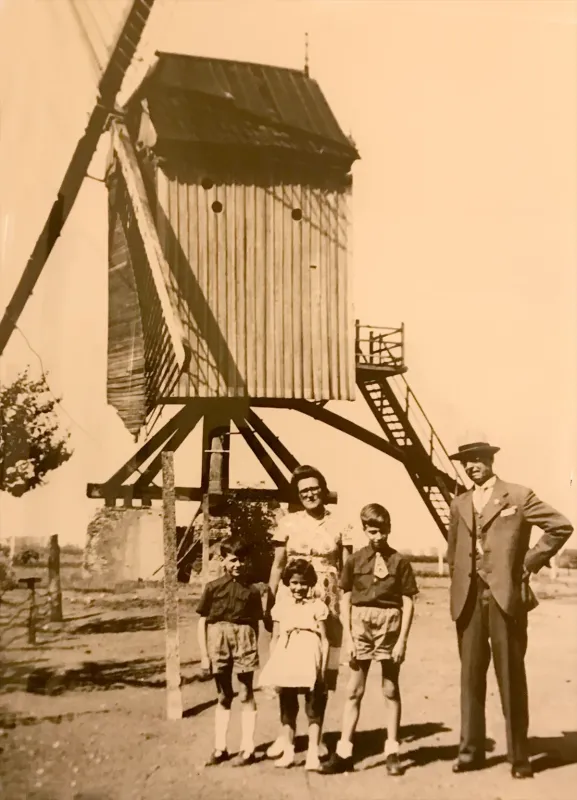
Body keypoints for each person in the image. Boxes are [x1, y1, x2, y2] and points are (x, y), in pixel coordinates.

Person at [447, 440, 573, 779]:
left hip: (505, 599)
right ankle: (470, 751)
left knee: (511, 677)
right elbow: (453, 552)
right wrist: (457, 584)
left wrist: (527, 563)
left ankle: (520, 758)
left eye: (476, 460)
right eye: (466, 462)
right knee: (470, 678)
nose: (471, 467)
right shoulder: (459, 503)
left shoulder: (518, 496)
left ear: (490, 460)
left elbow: (561, 527)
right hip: (468, 601)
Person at [322, 503, 418, 777]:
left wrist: (402, 641)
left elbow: (409, 602)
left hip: (390, 623)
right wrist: (350, 638)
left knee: (390, 688)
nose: (378, 537)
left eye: (382, 531)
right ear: (365, 530)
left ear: (389, 530)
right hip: (360, 625)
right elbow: (346, 598)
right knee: (354, 690)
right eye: (372, 531)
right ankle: (344, 752)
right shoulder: (355, 560)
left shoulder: (400, 562)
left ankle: (392, 750)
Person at [266, 465, 353, 759]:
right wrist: (270, 599)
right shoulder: (288, 523)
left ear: (323, 489)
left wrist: (344, 606)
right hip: (291, 597)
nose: (310, 494)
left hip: (326, 600)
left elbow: (346, 569)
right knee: (286, 665)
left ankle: (317, 737)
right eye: (303, 491)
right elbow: (278, 565)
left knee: (320, 669)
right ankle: (285, 733)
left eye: (314, 488)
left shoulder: (341, 523)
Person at [258, 558, 330, 770]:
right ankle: (288, 750)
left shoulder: (318, 606)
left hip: (310, 656)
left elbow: (325, 640)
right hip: (287, 655)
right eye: (294, 583)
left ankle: (313, 753)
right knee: (287, 705)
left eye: (303, 583)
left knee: (313, 705)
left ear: (310, 584)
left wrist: (323, 670)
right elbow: (275, 637)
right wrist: (273, 665)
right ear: (287, 583)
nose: (298, 587)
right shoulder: (281, 608)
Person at [197, 541, 263, 767]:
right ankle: (220, 748)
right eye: (233, 560)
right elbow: (202, 622)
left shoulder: (252, 591)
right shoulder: (212, 587)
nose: (238, 564)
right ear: (223, 560)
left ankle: (248, 748)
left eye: (242, 560)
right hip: (218, 638)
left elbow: (256, 623)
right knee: (224, 695)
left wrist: (251, 647)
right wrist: (205, 655)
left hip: (245, 638)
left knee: (246, 693)